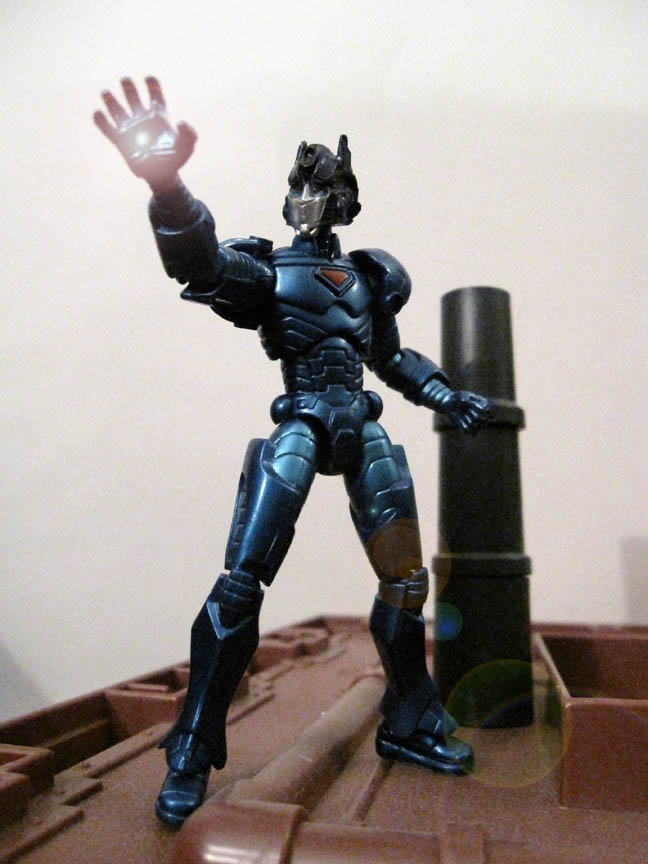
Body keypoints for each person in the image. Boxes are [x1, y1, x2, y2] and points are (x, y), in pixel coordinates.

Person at [95, 77, 491, 827]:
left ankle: (409, 719)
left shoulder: (372, 277)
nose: (308, 198)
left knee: (406, 581)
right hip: (302, 426)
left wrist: (447, 395)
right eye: (300, 187)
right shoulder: (271, 272)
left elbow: (392, 359)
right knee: (242, 581)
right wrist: (168, 188)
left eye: (321, 187)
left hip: (362, 426)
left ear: (345, 199)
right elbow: (202, 266)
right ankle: (192, 746)